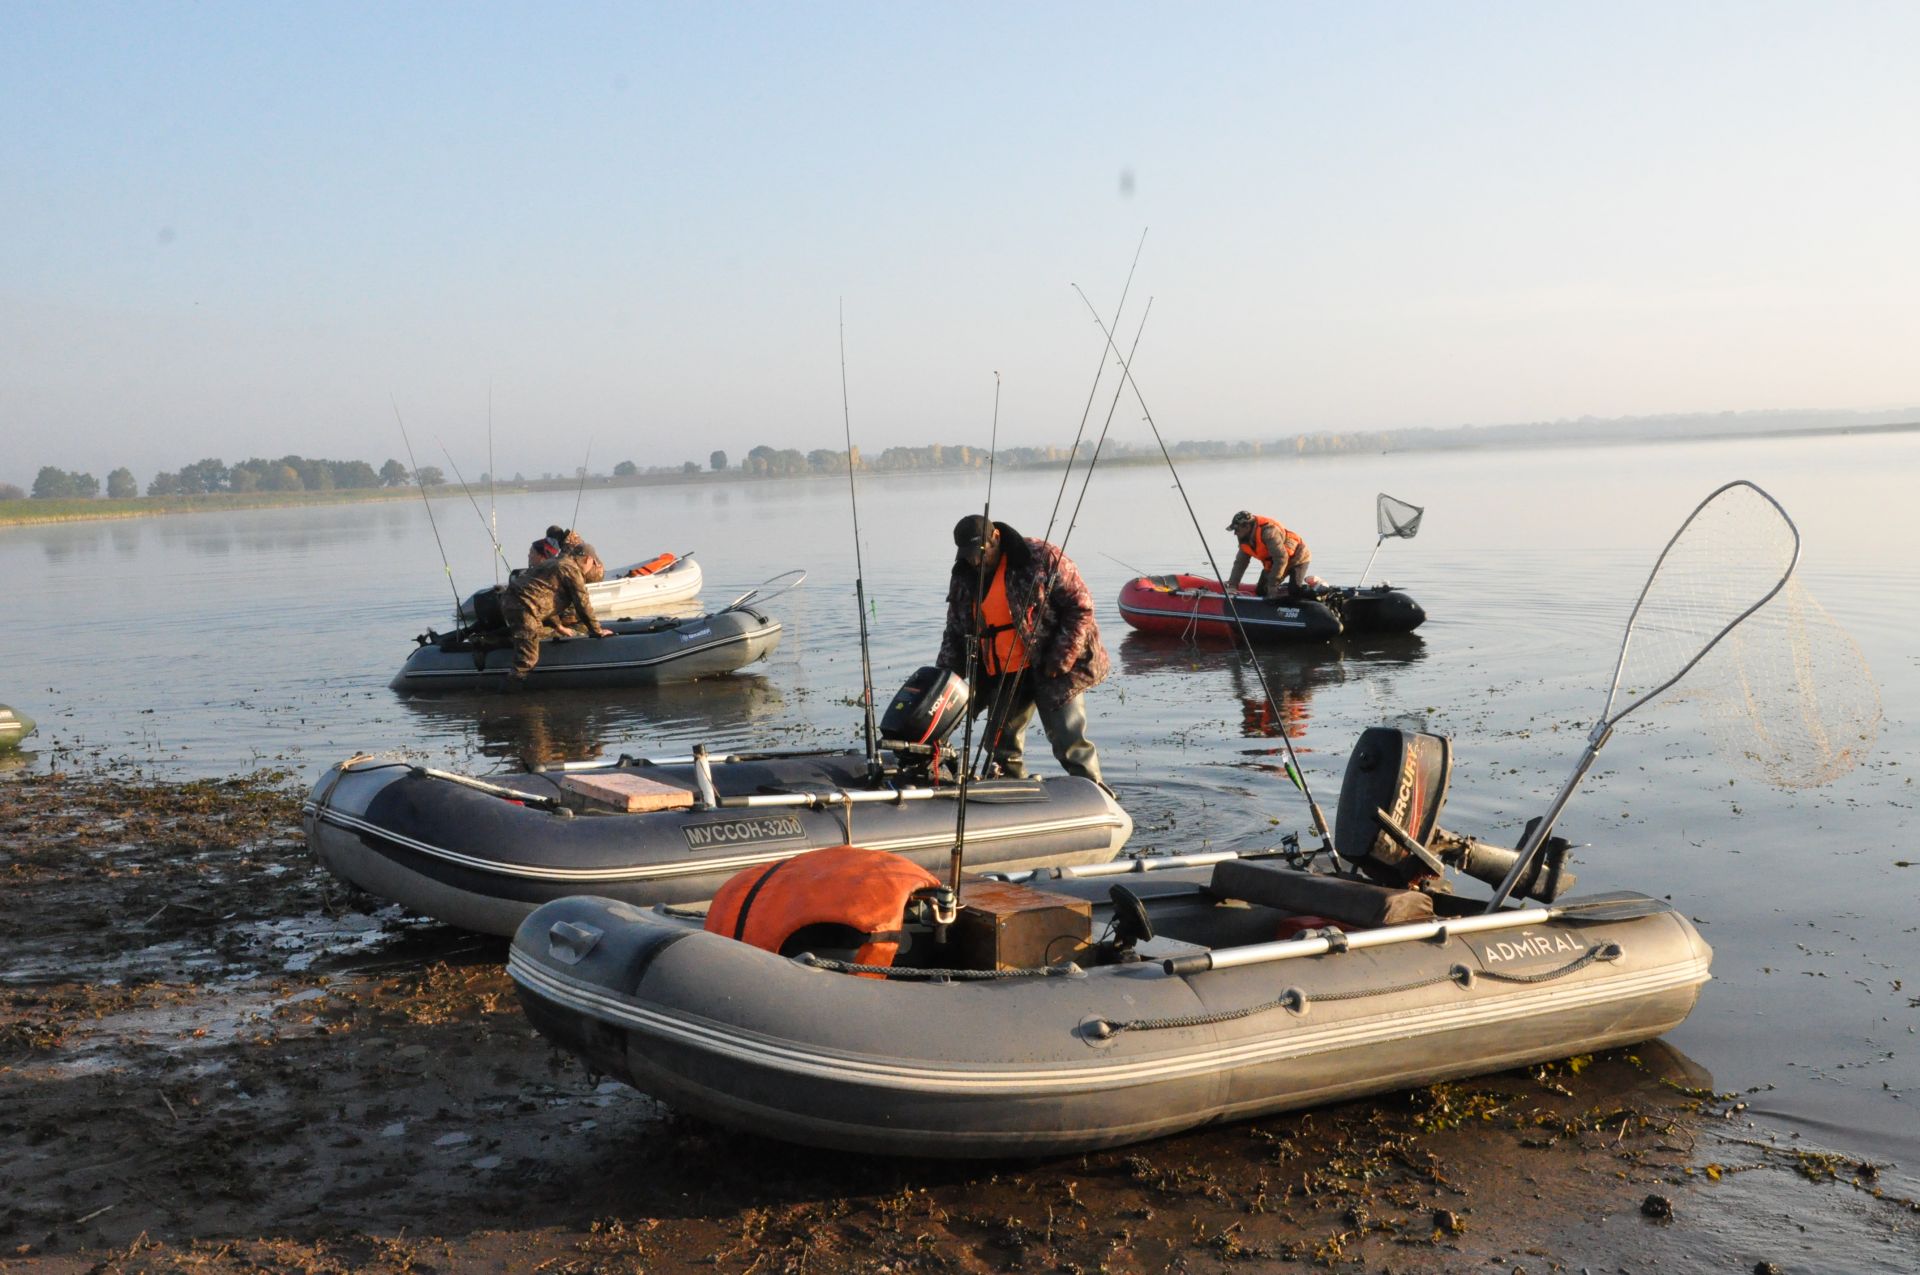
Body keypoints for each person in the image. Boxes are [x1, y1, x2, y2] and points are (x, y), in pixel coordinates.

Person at [936, 514, 1109, 786]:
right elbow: (955, 630)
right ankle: (1011, 798)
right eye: (969, 555)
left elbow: (1081, 607)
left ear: (996, 538)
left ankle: (1097, 797)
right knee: (1002, 747)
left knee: (1069, 742)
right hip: (1003, 673)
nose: (976, 561)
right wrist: (943, 680)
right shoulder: (963, 575)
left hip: (1053, 666)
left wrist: (1061, 658)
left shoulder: (1041, 557)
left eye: (981, 552)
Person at [501, 542, 610, 690]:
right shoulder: (571, 569)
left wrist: (559, 626)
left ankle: (489, 641)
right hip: (525, 608)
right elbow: (582, 604)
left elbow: (544, 597)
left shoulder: (554, 562)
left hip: (517, 604)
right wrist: (597, 630)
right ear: (587, 559)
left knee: (538, 634)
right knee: (528, 660)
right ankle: (507, 698)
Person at [1224, 510, 1312, 601]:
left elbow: (1281, 558)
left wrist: (1273, 585)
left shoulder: (1269, 532)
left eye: (1237, 530)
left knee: (1294, 590)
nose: (1235, 533)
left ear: (1247, 526)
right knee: (1261, 591)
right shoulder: (1245, 540)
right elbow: (1240, 563)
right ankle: (1282, 590)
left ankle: (1315, 593)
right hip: (1274, 561)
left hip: (1297, 558)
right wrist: (1233, 585)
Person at [528, 525, 605, 583]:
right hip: (600, 571)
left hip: (592, 576)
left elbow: (562, 565)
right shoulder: (575, 539)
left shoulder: (567, 546)